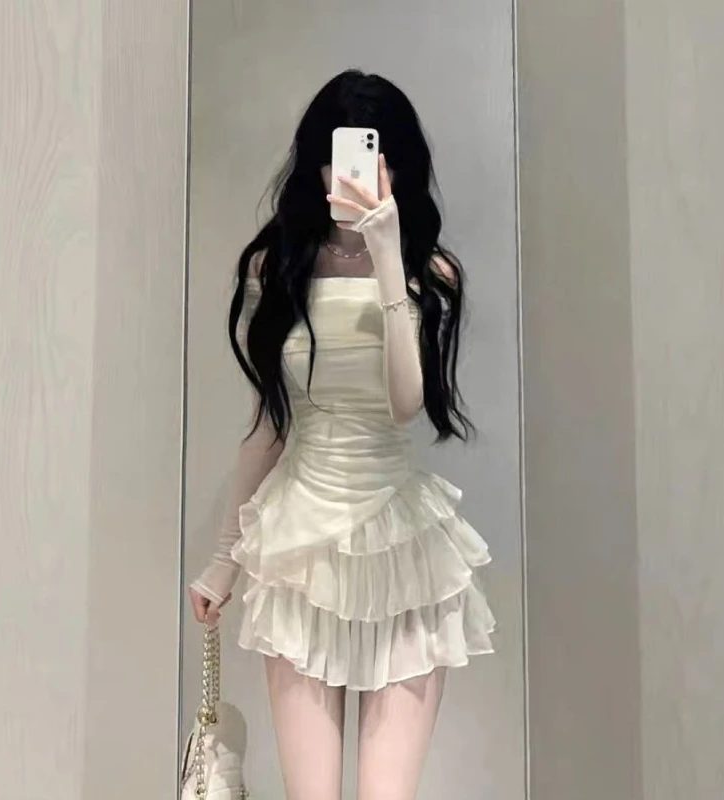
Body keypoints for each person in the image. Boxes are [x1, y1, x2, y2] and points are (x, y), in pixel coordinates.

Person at [189, 69, 495, 800]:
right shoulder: (276, 268)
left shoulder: (430, 272)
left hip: (403, 545)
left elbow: (404, 404)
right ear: (316, 165)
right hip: (301, 546)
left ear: (399, 169)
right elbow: (268, 426)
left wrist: (388, 256)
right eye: (339, 161)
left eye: (374, 161)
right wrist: (222, 564)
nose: (353, 178)